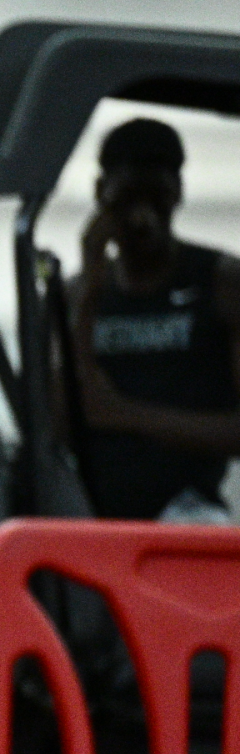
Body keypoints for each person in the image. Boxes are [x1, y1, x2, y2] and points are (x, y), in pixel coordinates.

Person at [67, 117, 240, 521]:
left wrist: (124, 413)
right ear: (101, 196)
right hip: (91, 517)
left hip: (188, 514)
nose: (142, 215)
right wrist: (90, 289)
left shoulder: (223, 282)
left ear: (178, 193)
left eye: (156, 196)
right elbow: (60, 423)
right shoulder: (77, 294)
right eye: (127, 197)